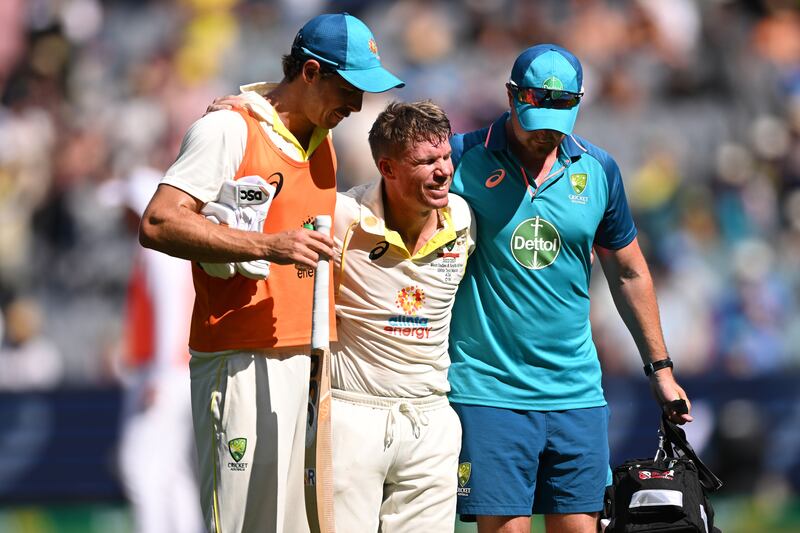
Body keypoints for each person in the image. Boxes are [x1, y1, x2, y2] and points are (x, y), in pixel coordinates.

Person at [138, 13, 404, 533]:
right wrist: (266, 245)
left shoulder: (321, 139)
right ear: (309, 72)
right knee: (241, 525)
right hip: (239, 360)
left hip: (304, 362)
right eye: (349, 89)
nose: (356, 105)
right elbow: (158, 221)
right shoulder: (226, 128)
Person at [446, 44, 693, 533]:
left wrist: (660, 371)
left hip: (577, 392)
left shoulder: (599, 170)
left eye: (558, 123)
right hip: (489, 389)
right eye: (534, 119)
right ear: (511, 98)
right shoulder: (458, 158)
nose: (545, 137)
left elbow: (629, 272)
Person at [331, 100, 474, 532]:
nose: (443, 170)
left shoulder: (463, 218)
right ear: (387, 168)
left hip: (431, 419)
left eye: (446, 157)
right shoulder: (344, 218)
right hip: (352, 414)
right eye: (426, 161)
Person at [108, 168, 204, 533]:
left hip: (165, 372)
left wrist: (160, 374)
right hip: (173, 371)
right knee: (172, 471)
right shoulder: (159, 249)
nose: (122, 217)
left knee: (139, 467)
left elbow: (171, 311)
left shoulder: (157, 250)